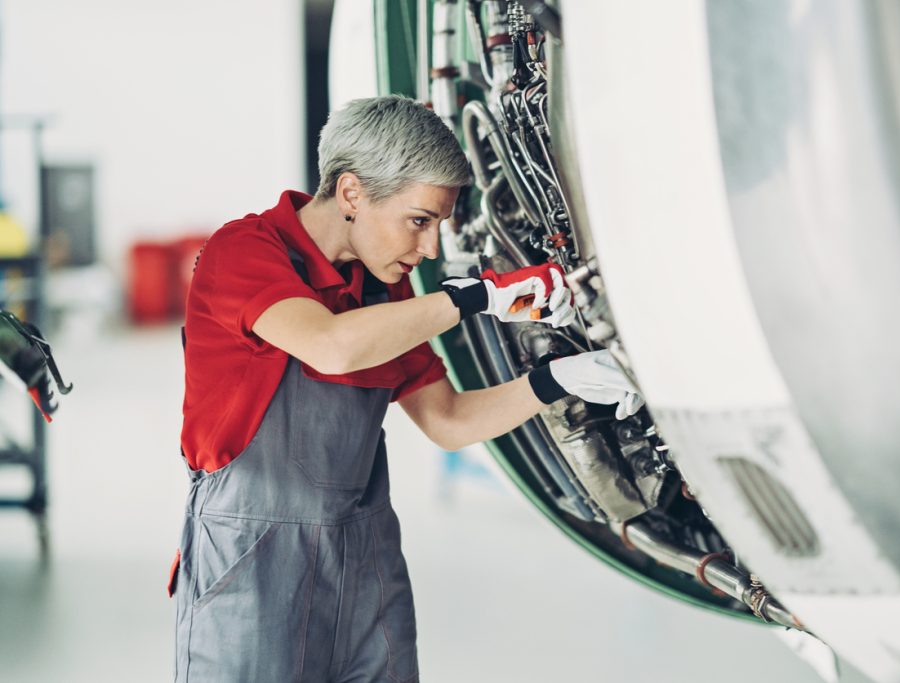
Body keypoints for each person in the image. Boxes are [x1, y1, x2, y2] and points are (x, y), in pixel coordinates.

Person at [170, 95, 642, 683]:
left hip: (366, 563)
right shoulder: (243, 252)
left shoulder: (383, 292)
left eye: (440, 225)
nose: (430, 249)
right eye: (419, 221)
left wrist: (557, 381)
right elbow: (331, 344)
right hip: (252, 564)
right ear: (351, 194)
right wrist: (477, 297)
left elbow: (448, 420)